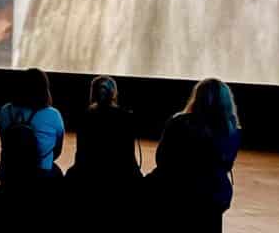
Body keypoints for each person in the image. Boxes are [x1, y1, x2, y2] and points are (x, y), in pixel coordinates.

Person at [146, 78, 241, 233]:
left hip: (177, 193)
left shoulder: (179, 122)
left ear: (197, 97)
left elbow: (162, 159)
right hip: (214, 195)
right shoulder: (233, 130)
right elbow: (227, 165)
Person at [66, 75, 141, 182]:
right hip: (122, 174)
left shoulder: (85, 116)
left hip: (88, 174)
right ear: (114, 94)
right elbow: (129, 158)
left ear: (93, 94)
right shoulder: (126, 117)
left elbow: (81, 157)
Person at [0, 68, 64, 184]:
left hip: (8, 173)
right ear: (44, 89)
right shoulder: (53, 115)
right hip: (41, 175)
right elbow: (57, 150)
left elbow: (4, 142)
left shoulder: (5, 111)